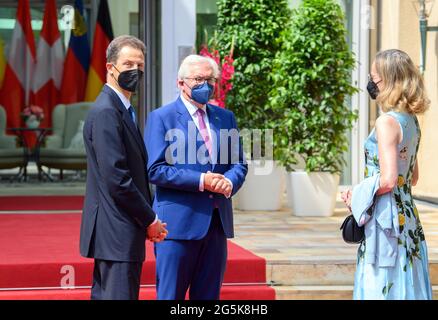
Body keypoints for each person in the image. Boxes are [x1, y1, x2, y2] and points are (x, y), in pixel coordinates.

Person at [144, 54, 248, 300]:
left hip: (216, 224)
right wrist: (203, 181)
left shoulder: (225, 117)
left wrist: (229, 181)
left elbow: (239, 163)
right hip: (177, 226)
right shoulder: (162, 117)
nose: (206, 85)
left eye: (210, 79)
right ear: (181, 83)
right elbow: (155, 169)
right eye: (198, 79)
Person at [79, 35, 168, 300]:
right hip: (117, 231)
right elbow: (117, 179)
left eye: (139, 66)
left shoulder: (121, 109)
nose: (134, 71)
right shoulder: (108, 111)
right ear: (110, 67)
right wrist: (150, 219)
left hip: (117, 232)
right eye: (127, 64)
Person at [342, 49, 432, 300]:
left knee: (381, 286)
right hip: (408, 219)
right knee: (407, 283)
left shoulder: (387, 122)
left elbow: (389, 179)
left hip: (385, 221)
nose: (372, 85)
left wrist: (357, 195)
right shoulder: (411, 121)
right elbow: (411, 178)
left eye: (375, 79)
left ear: (390, 81)